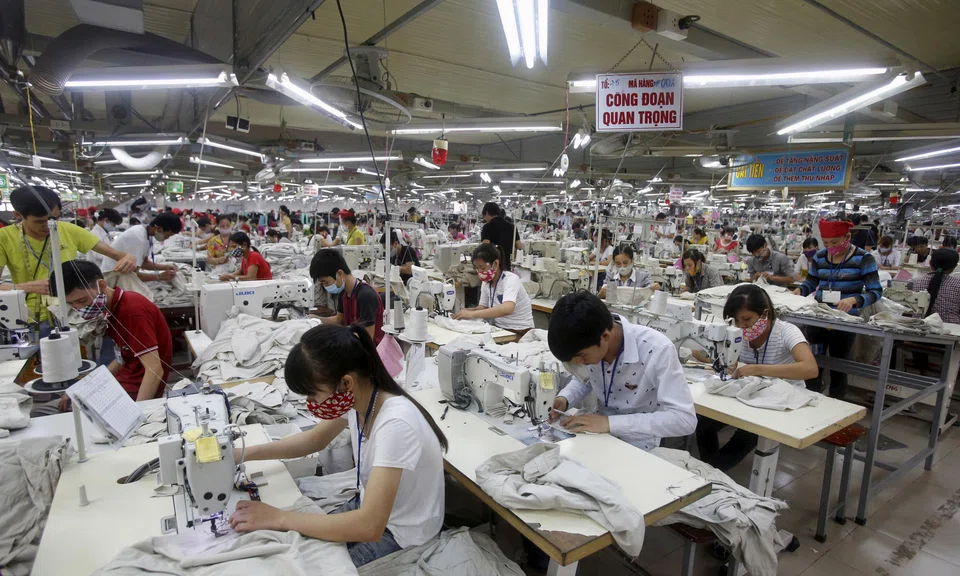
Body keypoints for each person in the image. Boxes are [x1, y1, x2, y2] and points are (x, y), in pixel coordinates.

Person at [228, 323, 447, 567]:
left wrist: (279, 517)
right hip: (370, 509)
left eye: (313, 395)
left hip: (401, 533)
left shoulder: (395, 424)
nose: (311, 404)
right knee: (290, 547)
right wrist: (240, 454)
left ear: (345, 384)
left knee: (309, 566)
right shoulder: (360, 401)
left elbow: (369, 526)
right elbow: (313, 440)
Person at [545, 292, 696, 450]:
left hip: (638, 444)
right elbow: (584, 379)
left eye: (582, 357)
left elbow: (684, 419)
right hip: (596, 433)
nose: (580, 363)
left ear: (605, 337)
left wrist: (609, 423)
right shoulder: (588, 345)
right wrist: (564, 399)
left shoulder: (657, 350)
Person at [693, 285, 818, 471]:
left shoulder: (786, 331)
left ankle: (711, 472)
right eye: (736, 321)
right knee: (702, 422)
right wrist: (718, 358)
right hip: (750, 395)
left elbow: (810, 368)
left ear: (764, 313)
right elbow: (706, 352)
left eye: (747, 319)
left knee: (748, 433)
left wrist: (757, 369)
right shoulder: (737, 333)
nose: (742, 326)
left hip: (783, 399)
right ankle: (711, 470)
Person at [0, 186, 138, 331]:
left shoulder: (69, 230)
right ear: (18, 215)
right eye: (40, 222)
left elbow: (118, 255)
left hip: (71, 315)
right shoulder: (4, 238)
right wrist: (25, 287)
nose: (49, 226)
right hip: (27, 319)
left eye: (55, 219)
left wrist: (129, 257)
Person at [51, 260, 171, 401]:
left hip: (134, 392)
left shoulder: (132, 311)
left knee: (45, 414)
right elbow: (122, 359)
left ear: (101, 285)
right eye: (71, 304)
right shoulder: (112, 310)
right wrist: (84, 388)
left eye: (82, 301)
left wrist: (140, 412)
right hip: (123, 383)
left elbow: (155, 370)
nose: (79, 308)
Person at [796, 219, 882, 399]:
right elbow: (812, 282)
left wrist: (855, 299)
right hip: (818, 318)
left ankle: (836, 404)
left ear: (847, 237)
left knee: (839, 366)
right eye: (826, 243)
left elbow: (876, 291)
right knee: (812, 363)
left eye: (834, 242)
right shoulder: (820, 256)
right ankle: (809, 399)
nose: (830, 247)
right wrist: (799, 291)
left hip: (845, 321)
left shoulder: (863, 258)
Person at [453, 243, 534, 337]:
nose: (479, 272)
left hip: (520, 332)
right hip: (500, 329)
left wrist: (473, 314)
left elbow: (508, 308)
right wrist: (466, 312)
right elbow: (482, 307)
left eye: (482, 267)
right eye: (476, 268)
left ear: (495, 264)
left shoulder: (510, 279)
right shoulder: (486, 282)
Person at [311, 249, 384, 344]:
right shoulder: (344, 293)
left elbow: (366, 338)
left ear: (339, 274)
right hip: (354, 345)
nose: (325, 286)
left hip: (371, 352)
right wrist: (315, 319)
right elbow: (339, 320)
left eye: (326, 282)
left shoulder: (366, 296)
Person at [99, 213, 181, 284]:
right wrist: (159, 276)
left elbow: (143, 263)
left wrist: (165, 267)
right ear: (159, 228)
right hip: (113, 278)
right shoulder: (137, 237)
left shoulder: (148, 234)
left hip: (123, 275)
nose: (167, 238)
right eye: (168, 235)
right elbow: (133, 275)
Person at [908, 249, 959, 324]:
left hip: (918, 327)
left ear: (930, 263)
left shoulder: (914, 282)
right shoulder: (958, 285)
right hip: (951, 330)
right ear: (954, 267)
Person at [480, 202, 518, 271]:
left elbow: (485, 247)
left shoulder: (487, 227)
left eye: (484, 216)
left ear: (487, 213)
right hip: (507, 265)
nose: (485, 219)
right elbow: (519, 246)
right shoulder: (512, 227)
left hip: (494, 266)